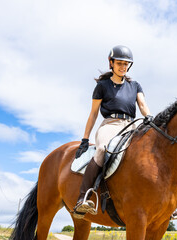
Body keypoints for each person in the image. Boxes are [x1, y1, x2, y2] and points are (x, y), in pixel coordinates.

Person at [73, 45, 152, 218]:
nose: (123, 67)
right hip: (110, 124)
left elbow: (143, 105)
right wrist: (85, 139)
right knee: (102, 149)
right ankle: (83, 197)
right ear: (111, 63)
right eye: (120, 63)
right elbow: (93, 114)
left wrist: (149, 117)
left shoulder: (135, 85)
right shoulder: (102, 86)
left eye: (126, 64)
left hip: (132, 125)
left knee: (150, 151)